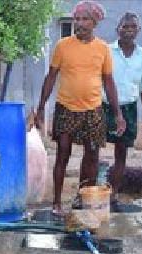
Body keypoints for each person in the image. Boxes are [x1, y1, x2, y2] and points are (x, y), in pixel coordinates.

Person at [32, 1, 126, 218]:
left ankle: (84, 199)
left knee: (92, 156)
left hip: (93, 110)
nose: (80, 23)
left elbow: (109, 82)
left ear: (94, 23)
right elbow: (51, 77)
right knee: (62, 153)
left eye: (85, 20)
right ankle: (56, 203)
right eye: (78, 19)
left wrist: (118, 114)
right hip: (66, 108)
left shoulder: (102, 48)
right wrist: (40, 107)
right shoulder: (63, 46)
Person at [103, 11, 142, 212]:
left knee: (121, 154)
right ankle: (89, 192)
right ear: (118, 29)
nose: (129, 31)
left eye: (133, 27)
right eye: (125, 27)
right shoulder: (106, 51)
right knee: (93, 150)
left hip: (129, 107)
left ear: (138, 30)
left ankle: (113, 195)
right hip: (104, 106)